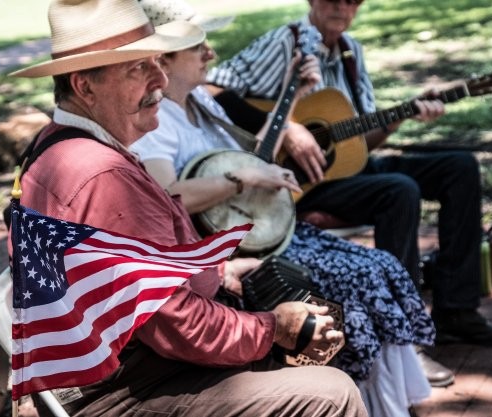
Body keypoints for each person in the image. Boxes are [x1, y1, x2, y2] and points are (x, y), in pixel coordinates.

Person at [8, 1, 368, 416]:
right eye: (138, 68)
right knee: (330, 393)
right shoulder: (101, 174)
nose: (160, 79)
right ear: (84, 87)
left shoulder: (54, 143)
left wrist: (221, 272)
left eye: (157, 63)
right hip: (122, 390)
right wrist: (274, 328)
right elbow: (178, 326)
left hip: (117, 367)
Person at [131, 2, 437, 415]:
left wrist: (291, 97)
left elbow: (257, 155)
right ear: (164, 59)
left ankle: (394, 400)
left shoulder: (201, 102)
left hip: (270, 231)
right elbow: (170, 197)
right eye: (198, 47)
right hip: (237, 251)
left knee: (381, 265)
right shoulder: (158, 122)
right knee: (356, 295)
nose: (211, 54)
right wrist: (243, 180)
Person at [206, 0, 492, 386]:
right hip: (292, 184)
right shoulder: (284, 42)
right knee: (398, 190)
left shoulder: (350, 52)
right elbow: (211, 87)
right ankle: (405, 340)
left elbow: (356, 143)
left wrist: (400, 117)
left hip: (344, 171)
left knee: (459, 167)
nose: (342, 6)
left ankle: (457, 311)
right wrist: (287, 128)